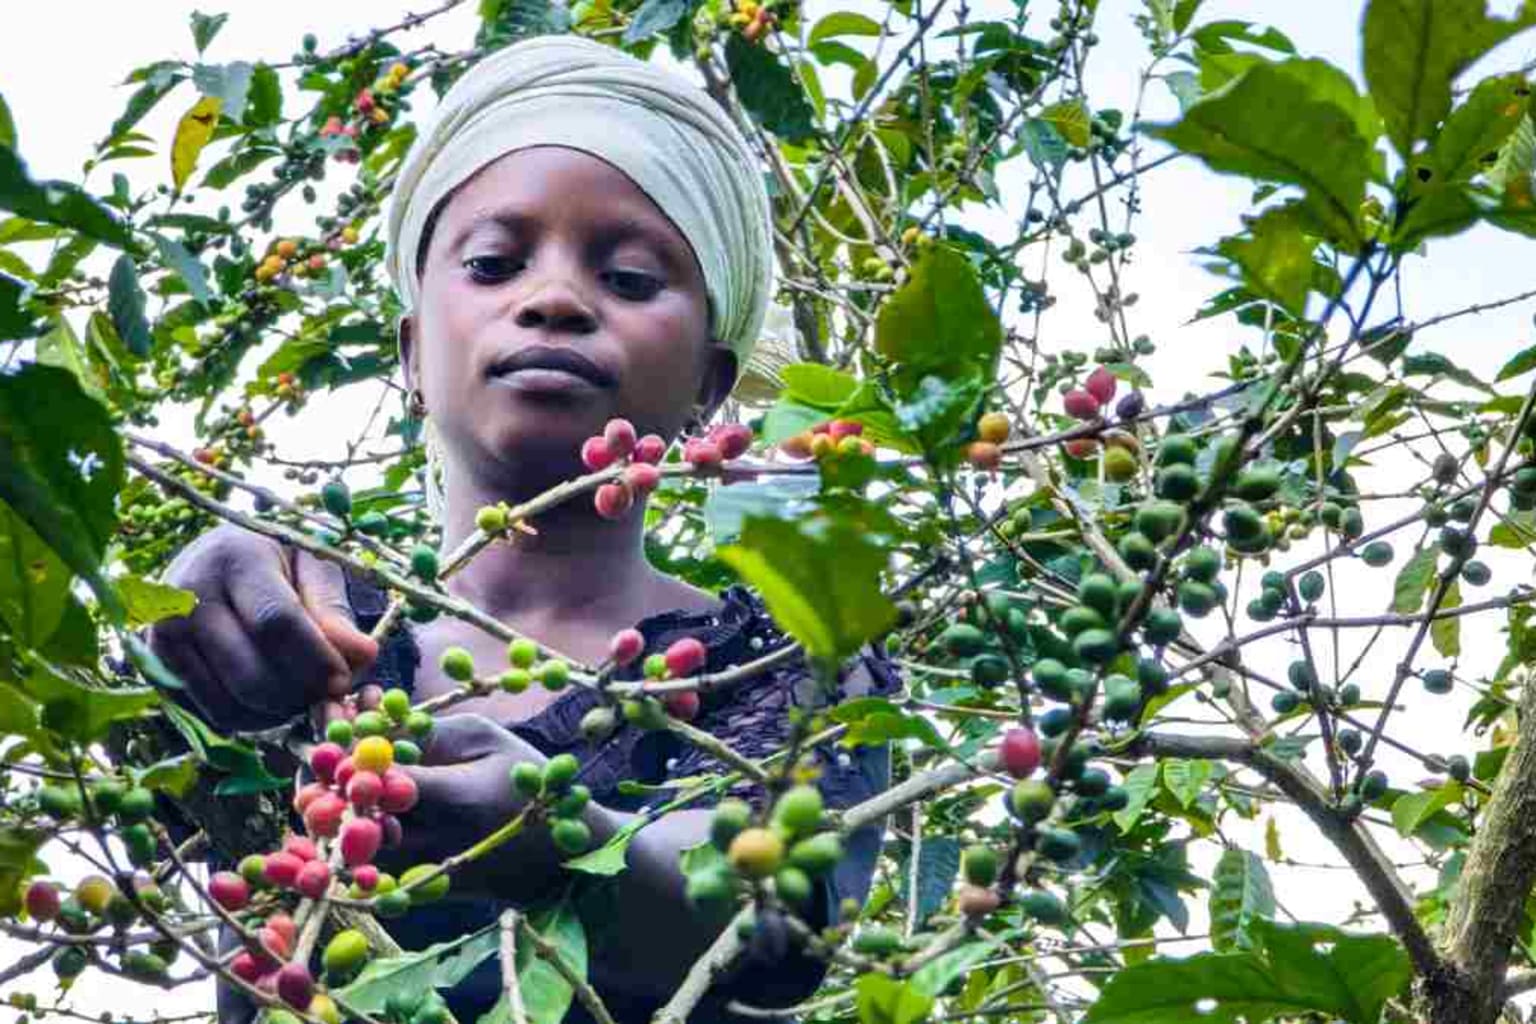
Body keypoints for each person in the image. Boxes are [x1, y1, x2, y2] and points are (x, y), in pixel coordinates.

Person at [148, 34, 896, 1023]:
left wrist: (558, 840)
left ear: (711, 386)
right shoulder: (314, 631)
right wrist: (179, 625)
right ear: (413, 353)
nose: (553, 300)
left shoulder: (787, 652)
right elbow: (134, 769)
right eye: (495, 263)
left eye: (630, 278)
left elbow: (776, 923)